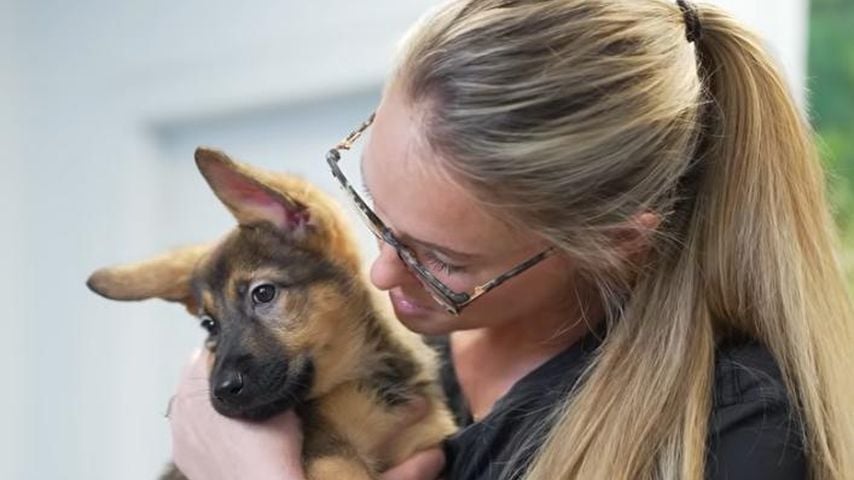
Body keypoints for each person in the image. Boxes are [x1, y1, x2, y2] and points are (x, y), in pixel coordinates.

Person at [167, 0, 854, 478]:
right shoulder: (409, 355)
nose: (381, 274)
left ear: (616, 242)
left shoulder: (738, 427)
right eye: (374, 208)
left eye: (442, 259)